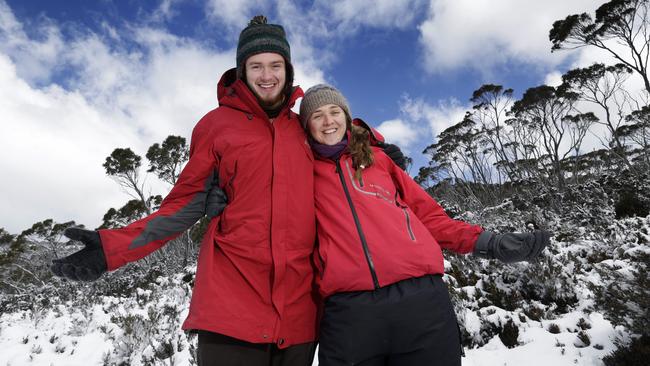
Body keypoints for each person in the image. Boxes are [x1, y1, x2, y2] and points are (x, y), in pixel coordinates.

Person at [50, 16, 405, 366]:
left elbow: (337, 138)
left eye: (275, 65)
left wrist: (375, 147)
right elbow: (183, 206)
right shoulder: (216, 126)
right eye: (256, 66)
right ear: (242, 71)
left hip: (300, 313)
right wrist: (111, 248)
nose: (267, 76)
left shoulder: (301, 128)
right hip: (231, 307)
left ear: (288, 69)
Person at [298, 84, 551, 366]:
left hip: (420, 302)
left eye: (334, 111)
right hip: (349, 314)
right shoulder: (299, 173)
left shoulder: (379, 160)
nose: (328, 121)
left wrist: (490, 243)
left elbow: (429, 217)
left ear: (346, 116)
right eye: (317, 115)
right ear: (306, 125)